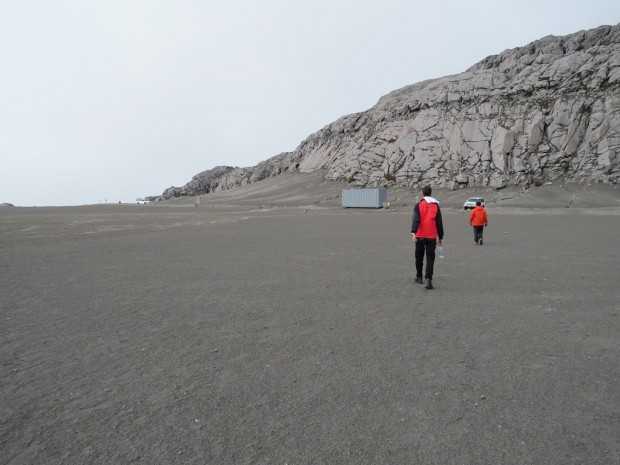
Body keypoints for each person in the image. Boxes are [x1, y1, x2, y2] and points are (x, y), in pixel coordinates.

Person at [411, 186, 444, 290]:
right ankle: (428, 279)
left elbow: (416, 219)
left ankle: (419, 277)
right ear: (431, 193)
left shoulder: (419, 204)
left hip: (420, 235)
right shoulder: (436, 205)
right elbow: (439, 222)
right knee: (430, 258)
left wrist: (413, 232)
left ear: (422, 193)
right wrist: (441, 236)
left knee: (419, 257)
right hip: (431, 235)